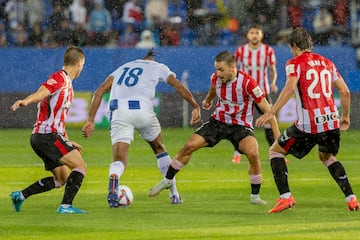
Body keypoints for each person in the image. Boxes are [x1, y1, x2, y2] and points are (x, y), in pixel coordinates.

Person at [149, 50, 280, 205]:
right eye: (216, 69)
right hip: (218, 122)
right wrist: (207, 101)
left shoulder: (248, 83)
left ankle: (255, 196)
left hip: (241, 126)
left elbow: (268, 110)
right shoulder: (216, 79)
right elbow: (213, 90)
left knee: (253, 154)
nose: (217, 73)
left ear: (232, 68)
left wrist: (278, 140)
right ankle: (167, 180)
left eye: (221, 69)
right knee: (189, 146)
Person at [255, 27, 360, 213]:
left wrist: (271, 112)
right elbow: (344, 91)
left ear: (294, 46)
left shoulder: (294, 63)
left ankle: (285, 197)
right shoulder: (327, 63)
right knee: (327, 157)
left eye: (291, 48)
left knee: (275, 151)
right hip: (331, 121)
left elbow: (289, 89)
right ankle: (351, 199)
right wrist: (345, 116)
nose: (291, 51)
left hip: (308, 124)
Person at [81, 49, 201, 207]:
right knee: (159, 148)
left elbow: (99, 92)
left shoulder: (123, 67)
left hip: (119, 112)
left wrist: (90, 120)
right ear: (152, 60)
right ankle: (174, 195)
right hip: (143, 110)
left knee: (119, 159)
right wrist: (195, 105)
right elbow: (178, 86)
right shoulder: (158, 67)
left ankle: (115, 176)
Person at [10, 46, 87, 214]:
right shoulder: (60, 78)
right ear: (80, 63)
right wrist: (26, 101)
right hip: (47, 136)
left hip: (44, 136)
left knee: (62, 179)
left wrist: (68, 141)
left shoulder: (67, 84)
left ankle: (20, 196)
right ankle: (66, 206)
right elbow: (42, 92)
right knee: (80, 166)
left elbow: (58, 120)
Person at [232, 24, 278, 164]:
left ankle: (274, 151)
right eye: (252, 32)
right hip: (244, 91)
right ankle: (237, 153)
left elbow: (272, 69)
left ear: (261, 35)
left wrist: (273, 83)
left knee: (269, 120)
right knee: (238, 122)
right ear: (248, 35)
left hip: (262, 91)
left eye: (257, 32)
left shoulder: (268, 51)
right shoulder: (240, 51)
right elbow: (233, 68)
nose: (254, 35)